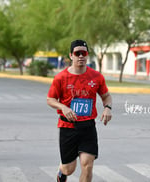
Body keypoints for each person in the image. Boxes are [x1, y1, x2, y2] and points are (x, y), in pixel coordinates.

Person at [47, 40, 112, 182]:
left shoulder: (96, 77)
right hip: (68, 127)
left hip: (88, 127)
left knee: (87, 165)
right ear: (71, 55)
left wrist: (107, 108)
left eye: (84, 53)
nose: (81, 56)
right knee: (69, 169)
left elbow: (106, 96)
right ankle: (61, 171)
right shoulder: (61, 78)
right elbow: (50, 99)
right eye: (78, 53)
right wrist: (63, 107)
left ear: (87, 55)